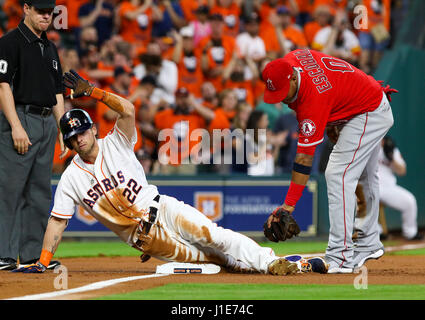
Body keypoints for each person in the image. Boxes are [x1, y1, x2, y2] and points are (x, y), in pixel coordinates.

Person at [12, 70, 328, 275]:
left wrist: (95, 93)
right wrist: (42, 261)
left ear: (93, 129)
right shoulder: (71, 177)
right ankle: (300, 264)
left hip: (162, 207)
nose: (78, 139)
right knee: (216, 262)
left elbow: (129, 110)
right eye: (71, 138)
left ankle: (272, 261)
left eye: (81, 132)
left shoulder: (117, 142)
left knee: (215, 236)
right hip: (149, 240)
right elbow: (57, 221)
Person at [261, 49, 396, 273]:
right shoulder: (292, 60)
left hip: (368, 112)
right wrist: (335, 120)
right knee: (364, 176)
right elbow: (334, 79)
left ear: (294, 77)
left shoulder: (311, 99)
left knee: (337, 173)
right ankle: (368, 241)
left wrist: (289, 205)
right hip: (364, 102)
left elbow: (304, 158)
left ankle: (340, 256)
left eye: (285, 91)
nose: (282, 98)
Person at [0, 0, 67, 271]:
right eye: (40, 10)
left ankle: (30, 256)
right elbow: (3, 87)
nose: (45, 16)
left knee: (39, 193)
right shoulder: (9, 42)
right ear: (26, 9)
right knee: (10, 190)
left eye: (49, 12)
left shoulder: (50, 47)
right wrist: (16, 125)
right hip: (20, 116)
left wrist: (63, 128)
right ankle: (4, 254)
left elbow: (58, 93)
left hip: (46, 123)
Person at [376, 136, 423, 241]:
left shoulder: (391, 149)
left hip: (388, 188)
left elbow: (402, 171)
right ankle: (376, 233)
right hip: (369, 187)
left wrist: (391, 158)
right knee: (362, 201)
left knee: (409, 201)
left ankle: (411, 233)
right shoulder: (366, 146)